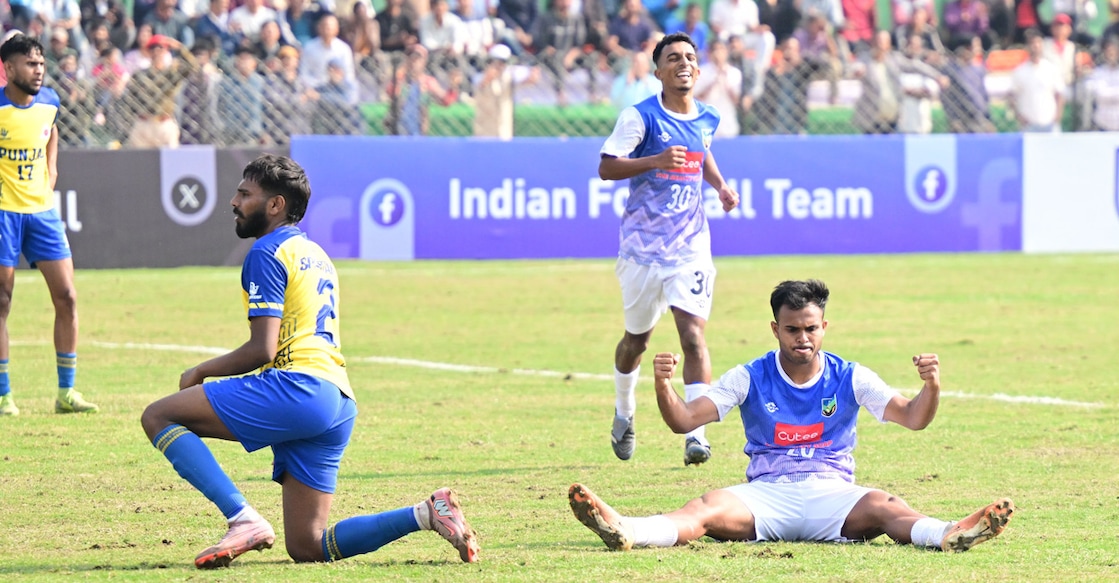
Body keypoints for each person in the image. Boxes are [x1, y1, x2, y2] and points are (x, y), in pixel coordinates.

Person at [139, 154, 480, 569]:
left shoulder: (267, 252)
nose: (233, 201)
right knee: (308, 546)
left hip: (297, 389)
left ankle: (242, 519)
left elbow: (262, 349)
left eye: (245, 194)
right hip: (337, 401)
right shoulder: (315, 253)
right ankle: (428, 513)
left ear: (275, 205)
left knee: (158, 416)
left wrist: (202, 371)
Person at [570, 279, 1015, 554]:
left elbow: (914, 418)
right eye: (792, 329)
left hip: (833, 495)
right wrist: (664, 386)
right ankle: (628, 530)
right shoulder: (749, 375)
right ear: (775, 329)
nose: (802, 338)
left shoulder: (852, 375)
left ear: (825, 327)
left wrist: (931, 387)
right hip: (765, 496)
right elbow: (685, 421)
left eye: (811, 328)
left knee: (886, 506)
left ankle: (950, 534)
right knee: (704, 508)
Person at [600, 32, 740, 467]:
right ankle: (624, 411)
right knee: (635, 343)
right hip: (642, 251)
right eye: (673, 57)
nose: (683, 63)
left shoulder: (708, 117)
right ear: (658, 71)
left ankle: (695, 433)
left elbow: (703, 153)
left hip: (691, 247)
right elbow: (606, 167)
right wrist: (655, 161)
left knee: (694, 337)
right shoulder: (639, 117)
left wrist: (719, 185)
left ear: (698, 70)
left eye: (690, 58)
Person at [0, 33, 95, 416]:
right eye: (30, 64)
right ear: (8, 68)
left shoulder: (50, 101)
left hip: (42, 212)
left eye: (41, 64)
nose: (38, 71)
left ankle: (66, 393)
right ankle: (4, 395)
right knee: (2, 301)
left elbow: (50, 129)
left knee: (68, 298)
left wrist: (52, 168)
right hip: (4, 213)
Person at [1009, 29, 1065, 132]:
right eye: (1032, 43)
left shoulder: (1051, 69)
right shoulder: (1019, 72)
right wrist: (1020, 117)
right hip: (1028, 126)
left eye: (1038, 42)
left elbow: (1059, 95)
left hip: (1050, 125)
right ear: (1026, 46)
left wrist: (1057, 117)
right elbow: (1012, 97)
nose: (1036, 46)